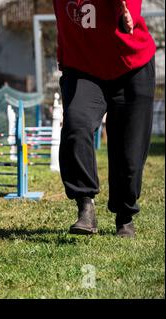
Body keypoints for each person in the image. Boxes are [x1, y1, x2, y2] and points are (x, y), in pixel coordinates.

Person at [53, 0, 156, 237]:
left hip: (131, 65)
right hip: (83, 68)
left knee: (129, 151)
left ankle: (125, 216)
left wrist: (124, 8)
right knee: (76, 126)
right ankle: (85, 205)